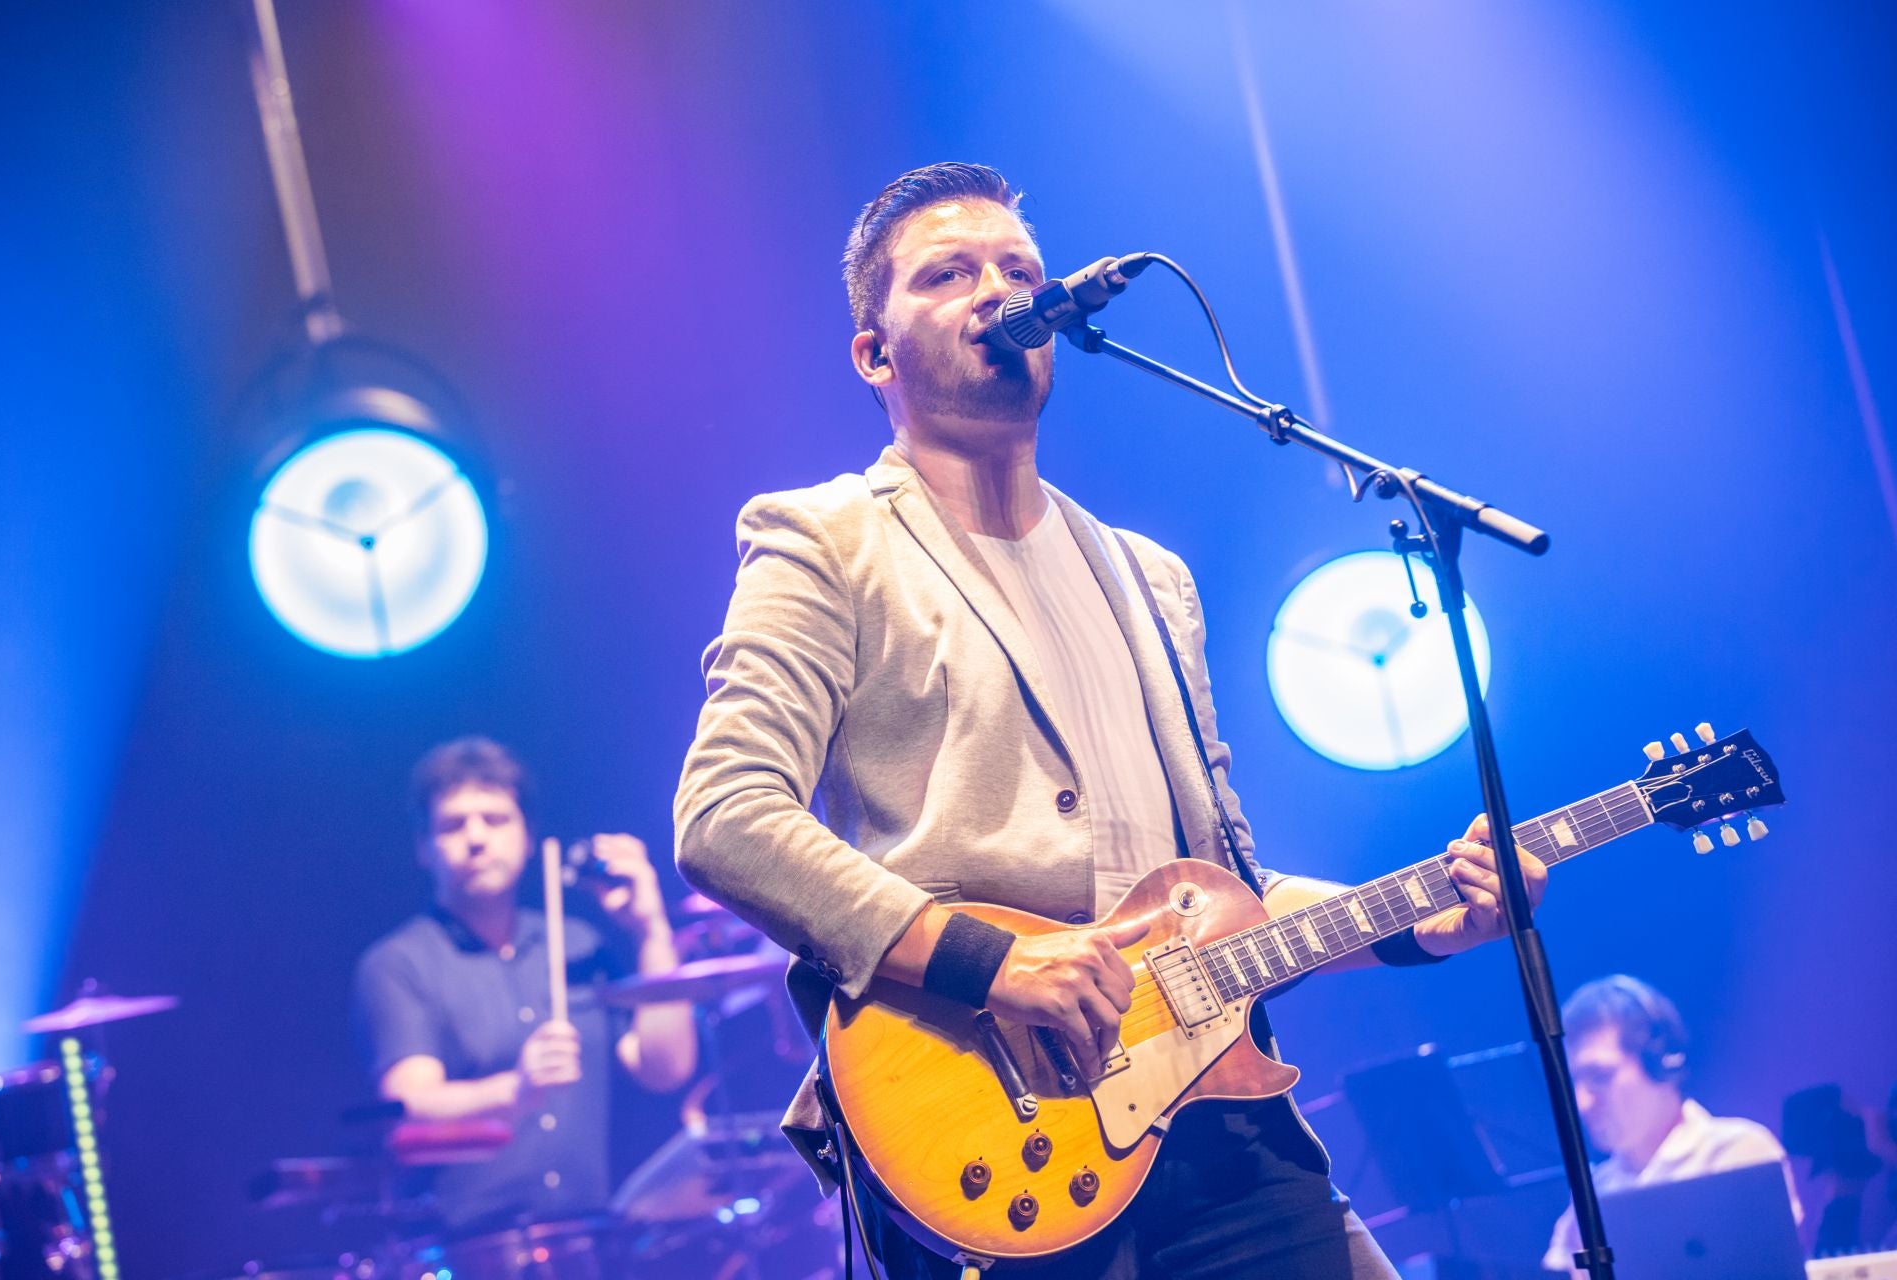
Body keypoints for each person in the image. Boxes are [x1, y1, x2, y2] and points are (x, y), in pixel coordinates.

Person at [673, 162, 1547, 1278]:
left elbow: (1227, 885)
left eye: (1018, 270)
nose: (997, 289)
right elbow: (726, 815)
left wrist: (1428, 921)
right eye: (948, 273)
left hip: (1220, 1126)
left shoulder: (1149, 577)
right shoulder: (824, 539)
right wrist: (994, 963)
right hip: (1000, 1126)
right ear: (873, 354)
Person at [353, 736, 697, 1235]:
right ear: (423, 848)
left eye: (496, 819)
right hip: (466, 1248)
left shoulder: (577, 945)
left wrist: (650, 929)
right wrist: (515, 1088)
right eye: (453, 824)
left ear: (528, 836)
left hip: (588, 1240)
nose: (476, 838)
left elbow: (665, 1069)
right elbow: (409, 1104)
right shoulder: (398, 964)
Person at [1543, 974, 1800, 1274]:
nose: (1582, 1102)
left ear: (1662, 1062)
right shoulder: (1595, 1190)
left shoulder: (1737, 1151)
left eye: (1600, 1076)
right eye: (1575, 1081)